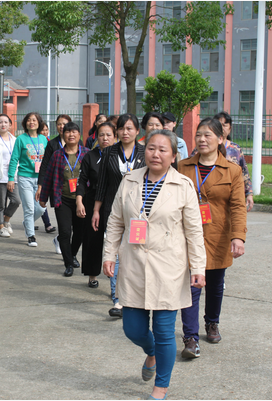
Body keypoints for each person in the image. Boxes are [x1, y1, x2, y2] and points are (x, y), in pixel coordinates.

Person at [102, 129, 206, 401]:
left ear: (173, 155)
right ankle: (151, 352)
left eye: (162, 150)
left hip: (168, 267)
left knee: (164, 332)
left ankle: (161, 387)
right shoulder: (130, 180)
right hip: (134, 264)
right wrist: (109, 254)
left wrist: (198, 268)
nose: (156, 154)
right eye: (151, 148)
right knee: (133, 329)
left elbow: (194, 231)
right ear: (144, 151)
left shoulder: (183, 185)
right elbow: (115, 221)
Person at [178, 117, 247, 359]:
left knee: (215, 285)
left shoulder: (232, 170)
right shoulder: (183, 167)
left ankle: (212, 322)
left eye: (207, 135)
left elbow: (238, 206)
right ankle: (190, 338)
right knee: (191, 287)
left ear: (220, 139)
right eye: (198, 135)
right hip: (187, 236)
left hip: (218, 235)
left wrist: (238, 237)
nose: (202, 139)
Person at [92, 114, 146, 318]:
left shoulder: (145, 152)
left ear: (137, 131)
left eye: (130, 128)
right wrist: (96, 210)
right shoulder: (109, 152)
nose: (125, 132)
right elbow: (102, 184)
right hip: (113, 211)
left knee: (135, 253)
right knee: (114, 252)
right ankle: (118, 298)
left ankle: (136, 294)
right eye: (122, 128)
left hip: (139, 213)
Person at [39, 122, 89, 277]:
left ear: (79, 135)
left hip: (82, 201)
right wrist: (43, 197)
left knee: (80, 233)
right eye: (67, 132)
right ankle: (68, 264)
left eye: (74, 132)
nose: (71, 135)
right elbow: (49, 177)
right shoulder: (57, 155)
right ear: (63, 135)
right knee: (65, 232)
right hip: (63, 199)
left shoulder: (87, 153)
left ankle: (72, 254)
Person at [75, 121, 117, 288]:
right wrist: (79, 201)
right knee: (93, 239)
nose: (105, 138)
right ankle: (92, 275)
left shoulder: (120, 156)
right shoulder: (90, 157)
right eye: (101, 135)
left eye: (108, 135)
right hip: (93, 201)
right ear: (96, 137)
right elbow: (82, 180)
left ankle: (118, 277)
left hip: (116, 201)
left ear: (115, 136)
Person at [8, 112, 47, 247]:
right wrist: (11, 178)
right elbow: (14, 159)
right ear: (25, 123)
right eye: (29, 120)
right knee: (29, 208)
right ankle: (31, 236)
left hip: (40, 179)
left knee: (41, 209)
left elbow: (48, 160)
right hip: (25, 177)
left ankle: (27, 223)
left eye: (34, 120)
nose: (32, 122)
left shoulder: (43, 139)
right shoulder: (21, 139)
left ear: (39, 123)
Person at [37, 114, 72, 251]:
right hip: (58, 188)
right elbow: (45, 166)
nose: (62, 126)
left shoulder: (78, 143)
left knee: (74, 224)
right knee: (64, 224)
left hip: (74, 189)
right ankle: (65, 248)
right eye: (59, 124)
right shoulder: (52, 144)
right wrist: (41, 187)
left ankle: (59, 239)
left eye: (64, 124)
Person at [214, 111, 254, 212]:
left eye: (224, 125)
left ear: (230, 128)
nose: (221, 128)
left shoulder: (235, 149)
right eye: (219, 124)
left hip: (232, 192)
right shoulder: (205, 147)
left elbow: (244, 171)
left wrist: (249, 193)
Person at [37, 121, 57, 234]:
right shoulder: (36, 142)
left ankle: (46, 224)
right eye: (42, 130)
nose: (45, 132)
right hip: (35, 174)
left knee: (42, 200)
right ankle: (46, 224)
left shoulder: (50, 143)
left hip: (47, 174)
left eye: (46, 130)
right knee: (38, 200)